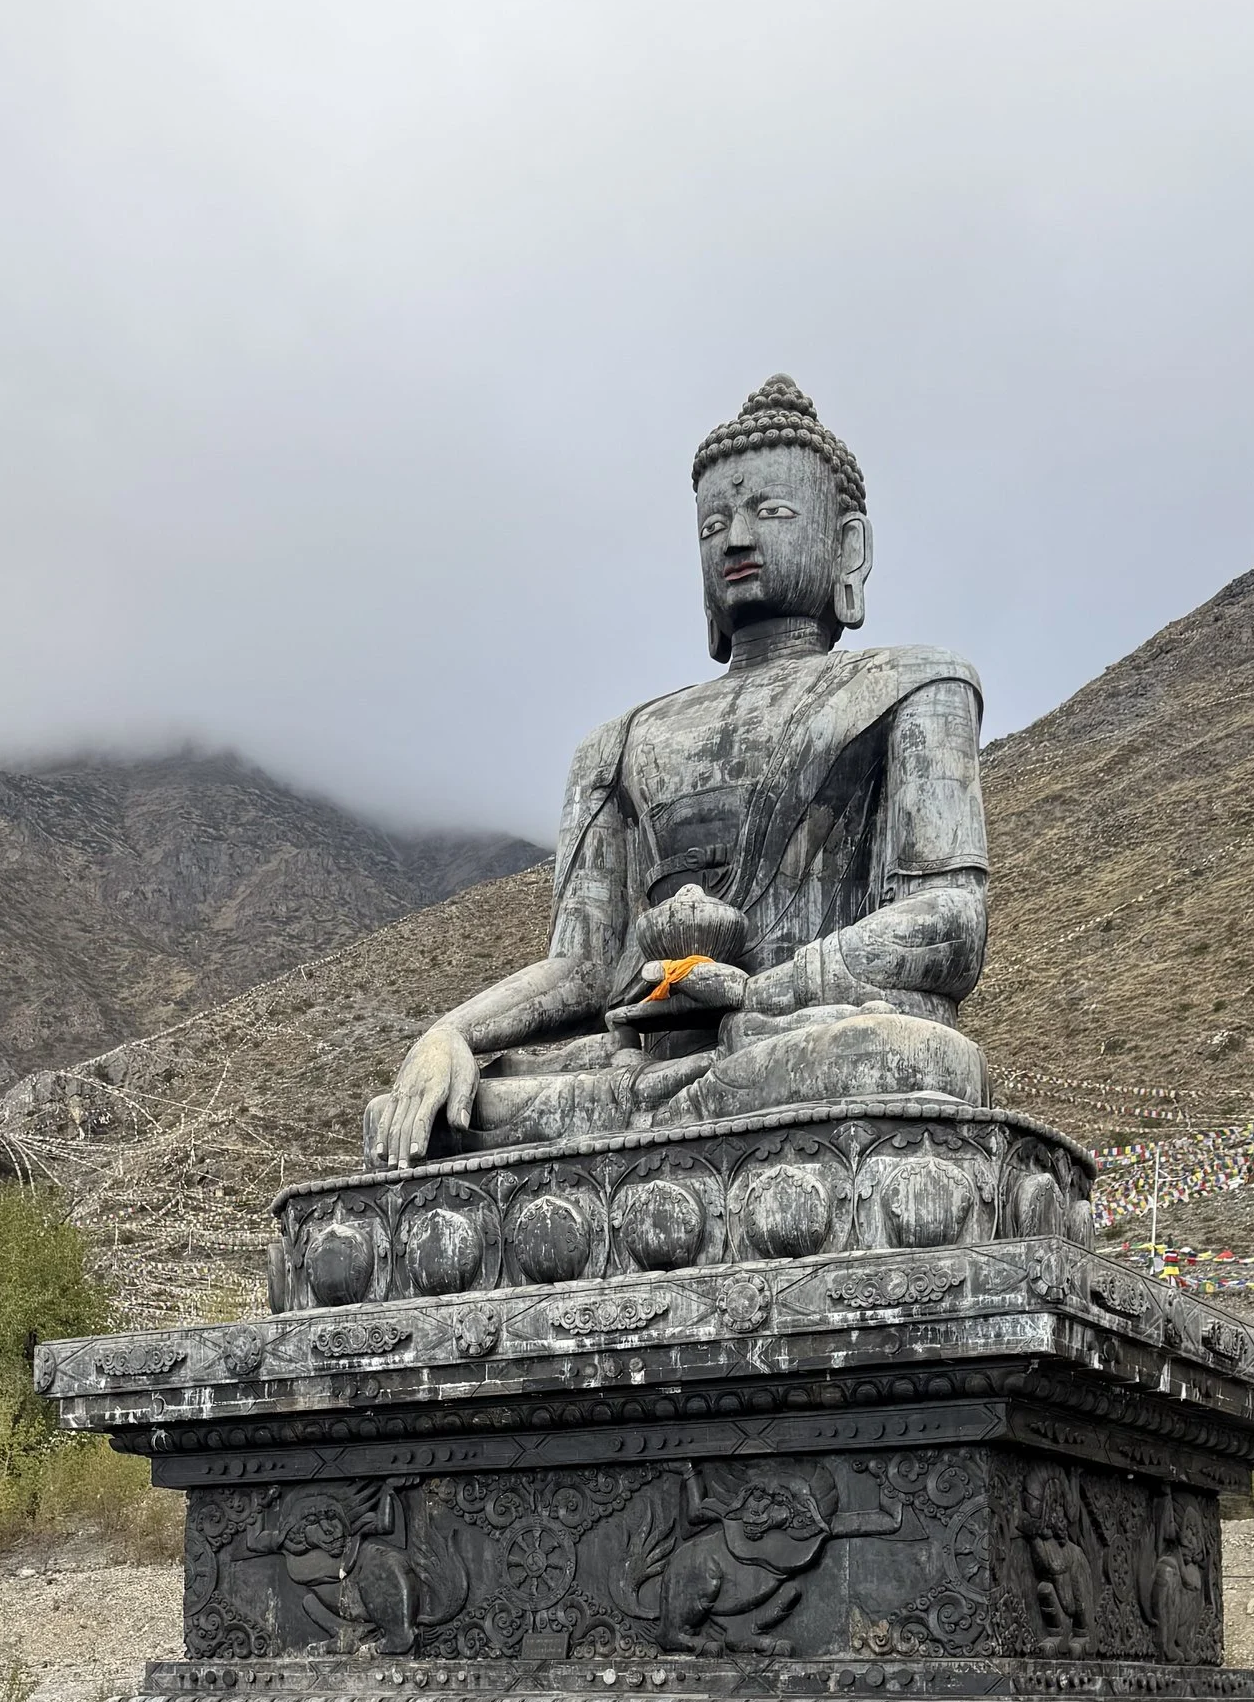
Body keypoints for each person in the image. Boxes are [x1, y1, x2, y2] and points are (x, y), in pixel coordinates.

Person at [364, 376, 989, 1166]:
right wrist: (448, 1033)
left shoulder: (918, 682)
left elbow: (951, 923)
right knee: (441, 1109)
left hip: (795, 1036)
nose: (735, 540)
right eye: (713, 524)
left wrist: (759, 993)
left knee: (893, 1054)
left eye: (772, 512)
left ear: (848, 545)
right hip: (644, 1054)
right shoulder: (620, 741)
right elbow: (584, 967)